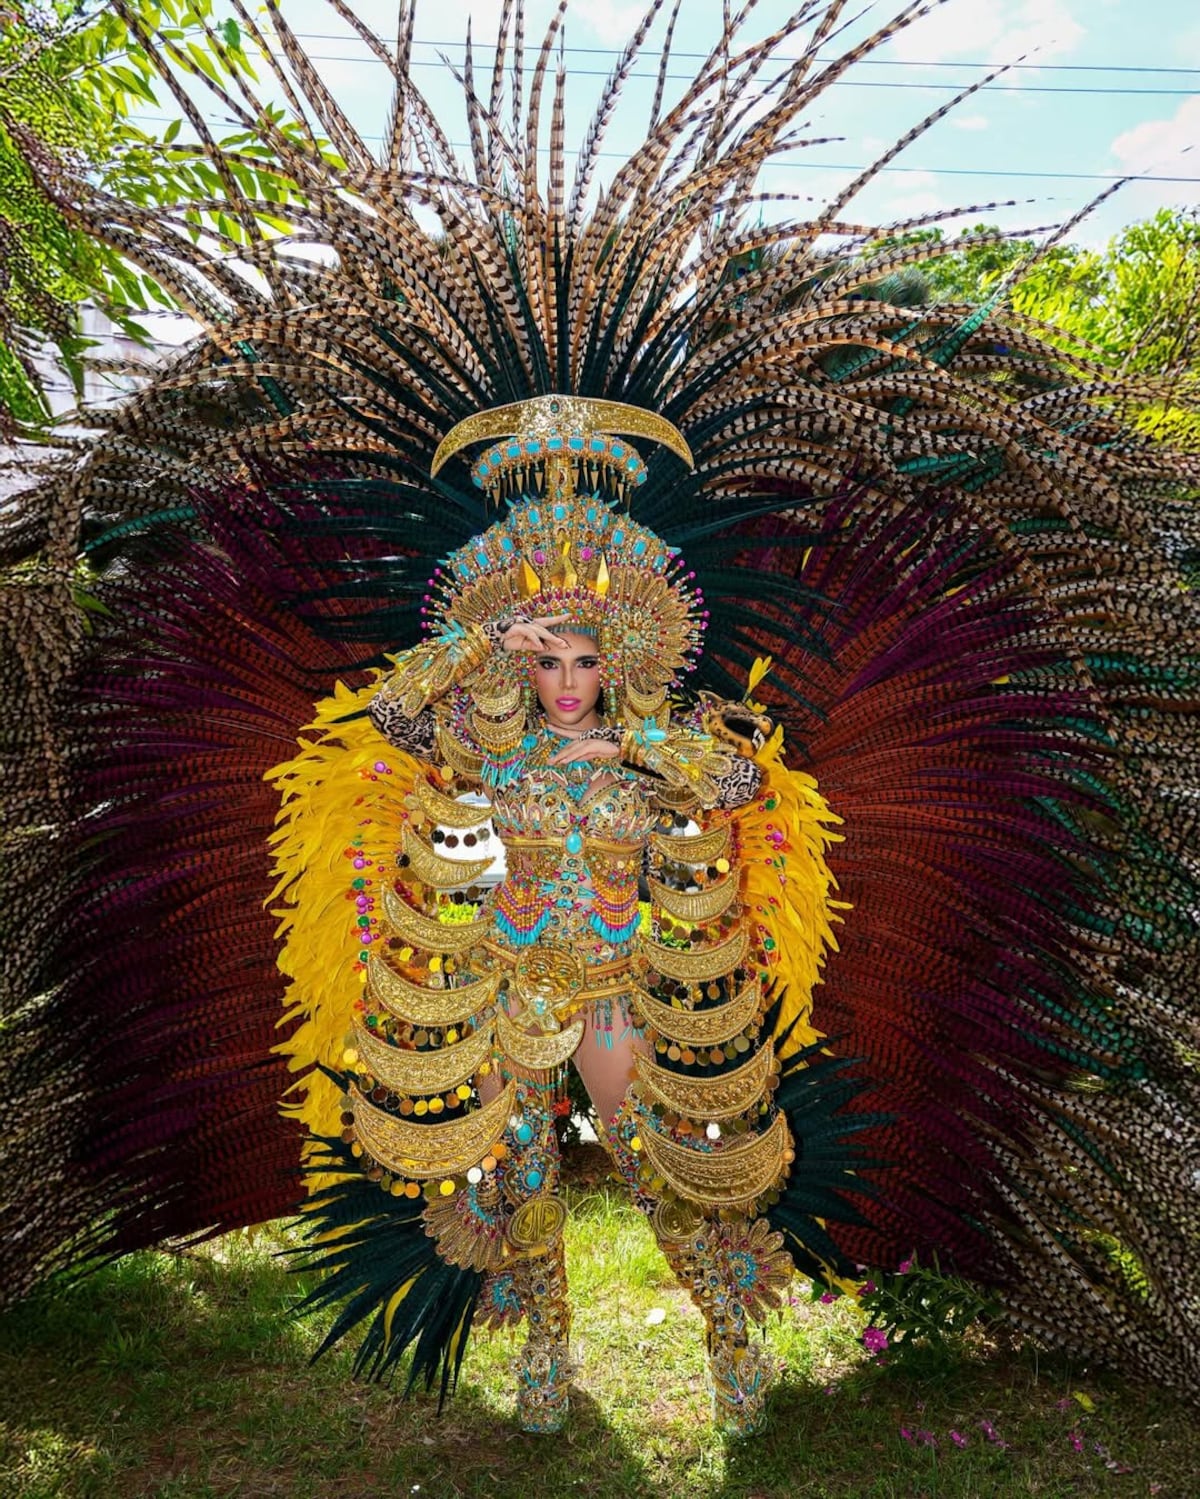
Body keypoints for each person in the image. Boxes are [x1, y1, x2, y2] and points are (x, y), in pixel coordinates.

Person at [278, 397, 823, 1434]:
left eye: (582, 661)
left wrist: (632, 752)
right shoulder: (492, 747)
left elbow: (746, 778)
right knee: (521, 1171)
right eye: (546, 660)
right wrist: (483, 633)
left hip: (618, 988)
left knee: (649, 1160)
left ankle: (727, 1332)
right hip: (513, 980)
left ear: (613, 661)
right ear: (524, 665)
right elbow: (393, 714)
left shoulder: (657, 743)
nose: (566, 682)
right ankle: (543, 1344)